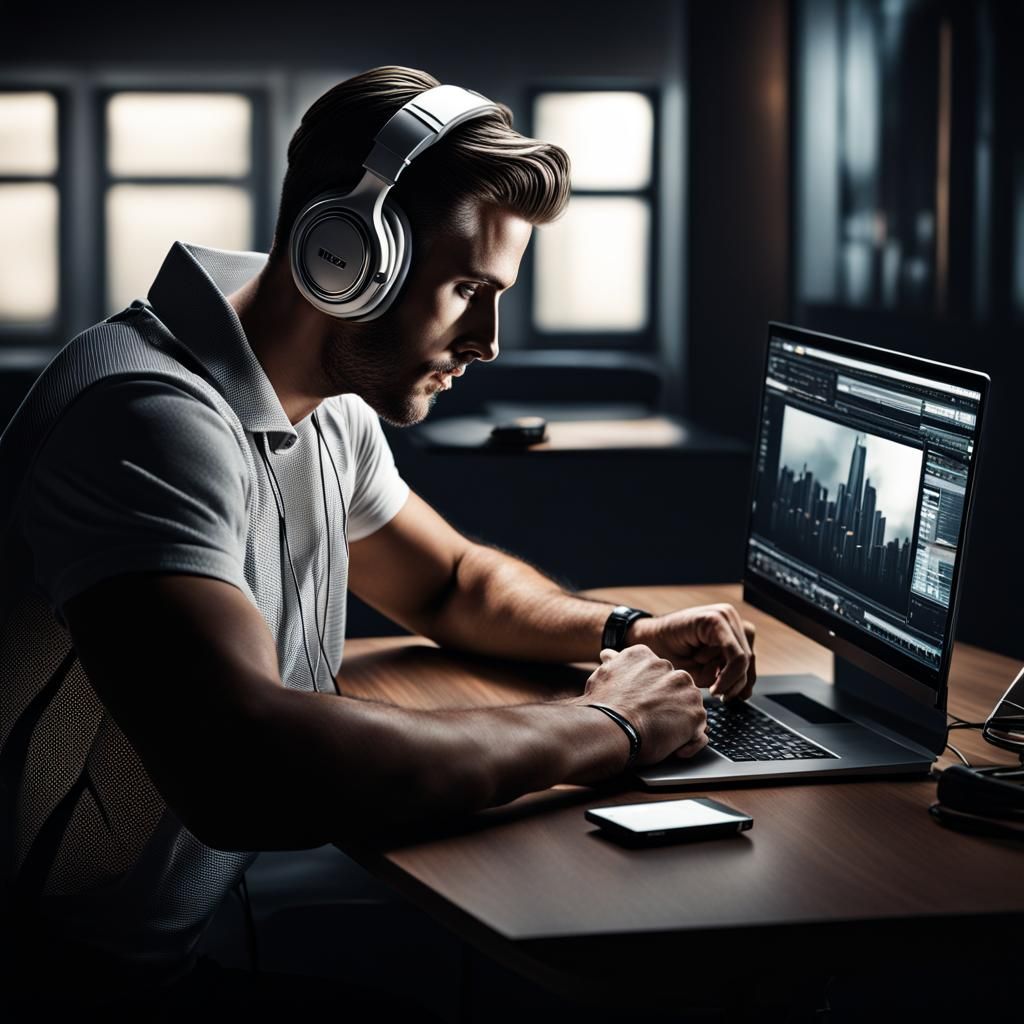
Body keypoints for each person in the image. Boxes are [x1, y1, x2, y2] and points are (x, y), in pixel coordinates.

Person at [0, 65, 755, 1015]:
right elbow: (243, 766)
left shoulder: (324, 408)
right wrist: (610, 726)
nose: (488, 340)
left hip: (174, 948)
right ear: (345, 255)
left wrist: (621, 635)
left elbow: (450, 586)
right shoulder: (148, 421)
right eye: (468, 289)